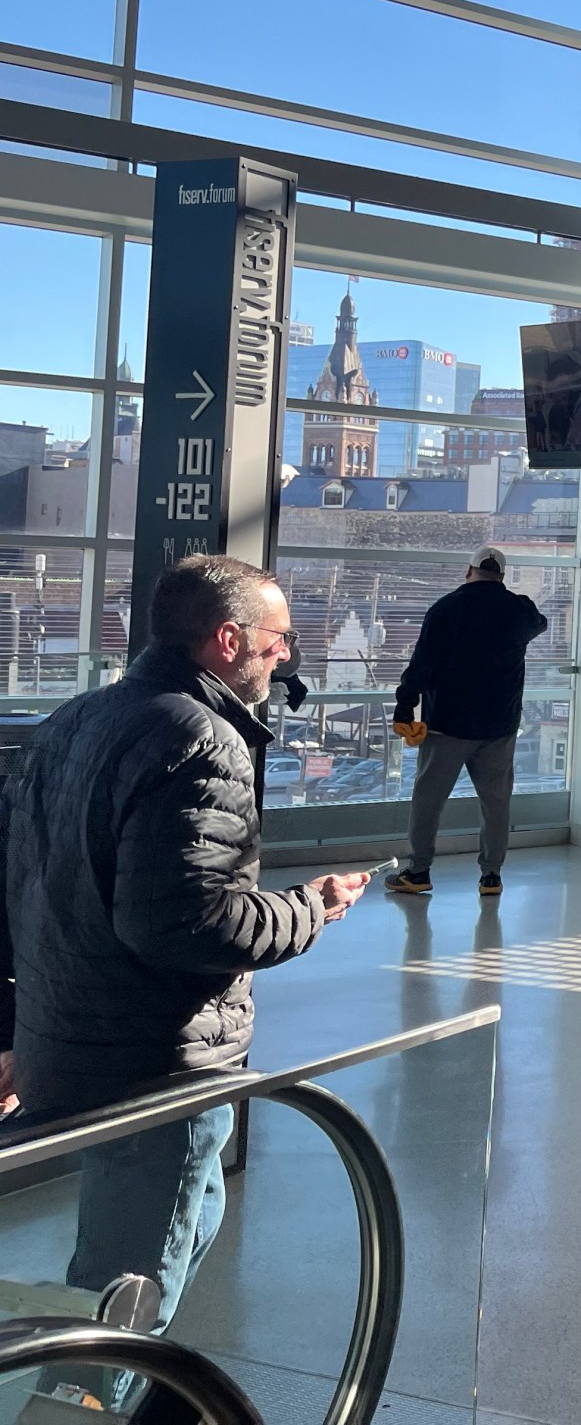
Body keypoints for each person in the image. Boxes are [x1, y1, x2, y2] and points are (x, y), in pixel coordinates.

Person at [0, 556, 369, 1413]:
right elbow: (188, 923)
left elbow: (18, 885)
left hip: (79, 1035)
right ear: (229, 639)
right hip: (156, 1059)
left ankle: (128, 1390)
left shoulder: (75, 720)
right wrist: (309, 909)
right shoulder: (202, 739)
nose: (285, 661)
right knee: (128, 1277)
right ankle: (83, 1404)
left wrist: (18, 1024)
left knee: (187, 1217)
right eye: (278, 644)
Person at [385, 546, 547, 900]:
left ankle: (418, 871)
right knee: (495, 802)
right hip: (499, 726)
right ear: (502, 576)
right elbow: (540, 623)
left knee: (429, 799)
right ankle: (491, 876)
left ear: (468, 570)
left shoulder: (445, 610)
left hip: (447, 724)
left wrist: (404, 706)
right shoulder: (519, 611)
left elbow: (422, 664)